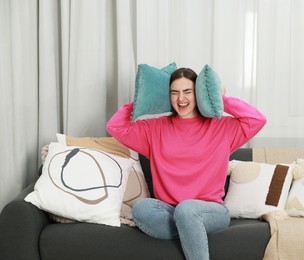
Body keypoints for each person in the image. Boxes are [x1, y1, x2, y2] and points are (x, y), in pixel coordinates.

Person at [106, 67, 267, 260]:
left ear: (198, 93)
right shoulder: (155, 128)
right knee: (142, 209)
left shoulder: (221, 126)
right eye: (174, 93)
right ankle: (190, 230)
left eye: (187, 92)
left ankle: (190, 228)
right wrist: (145, 101)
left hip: (211, 211)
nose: (180, 98)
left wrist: (219, 98)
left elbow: (257, 119)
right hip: (169, 210)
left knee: (187, 209)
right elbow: (115, 126)